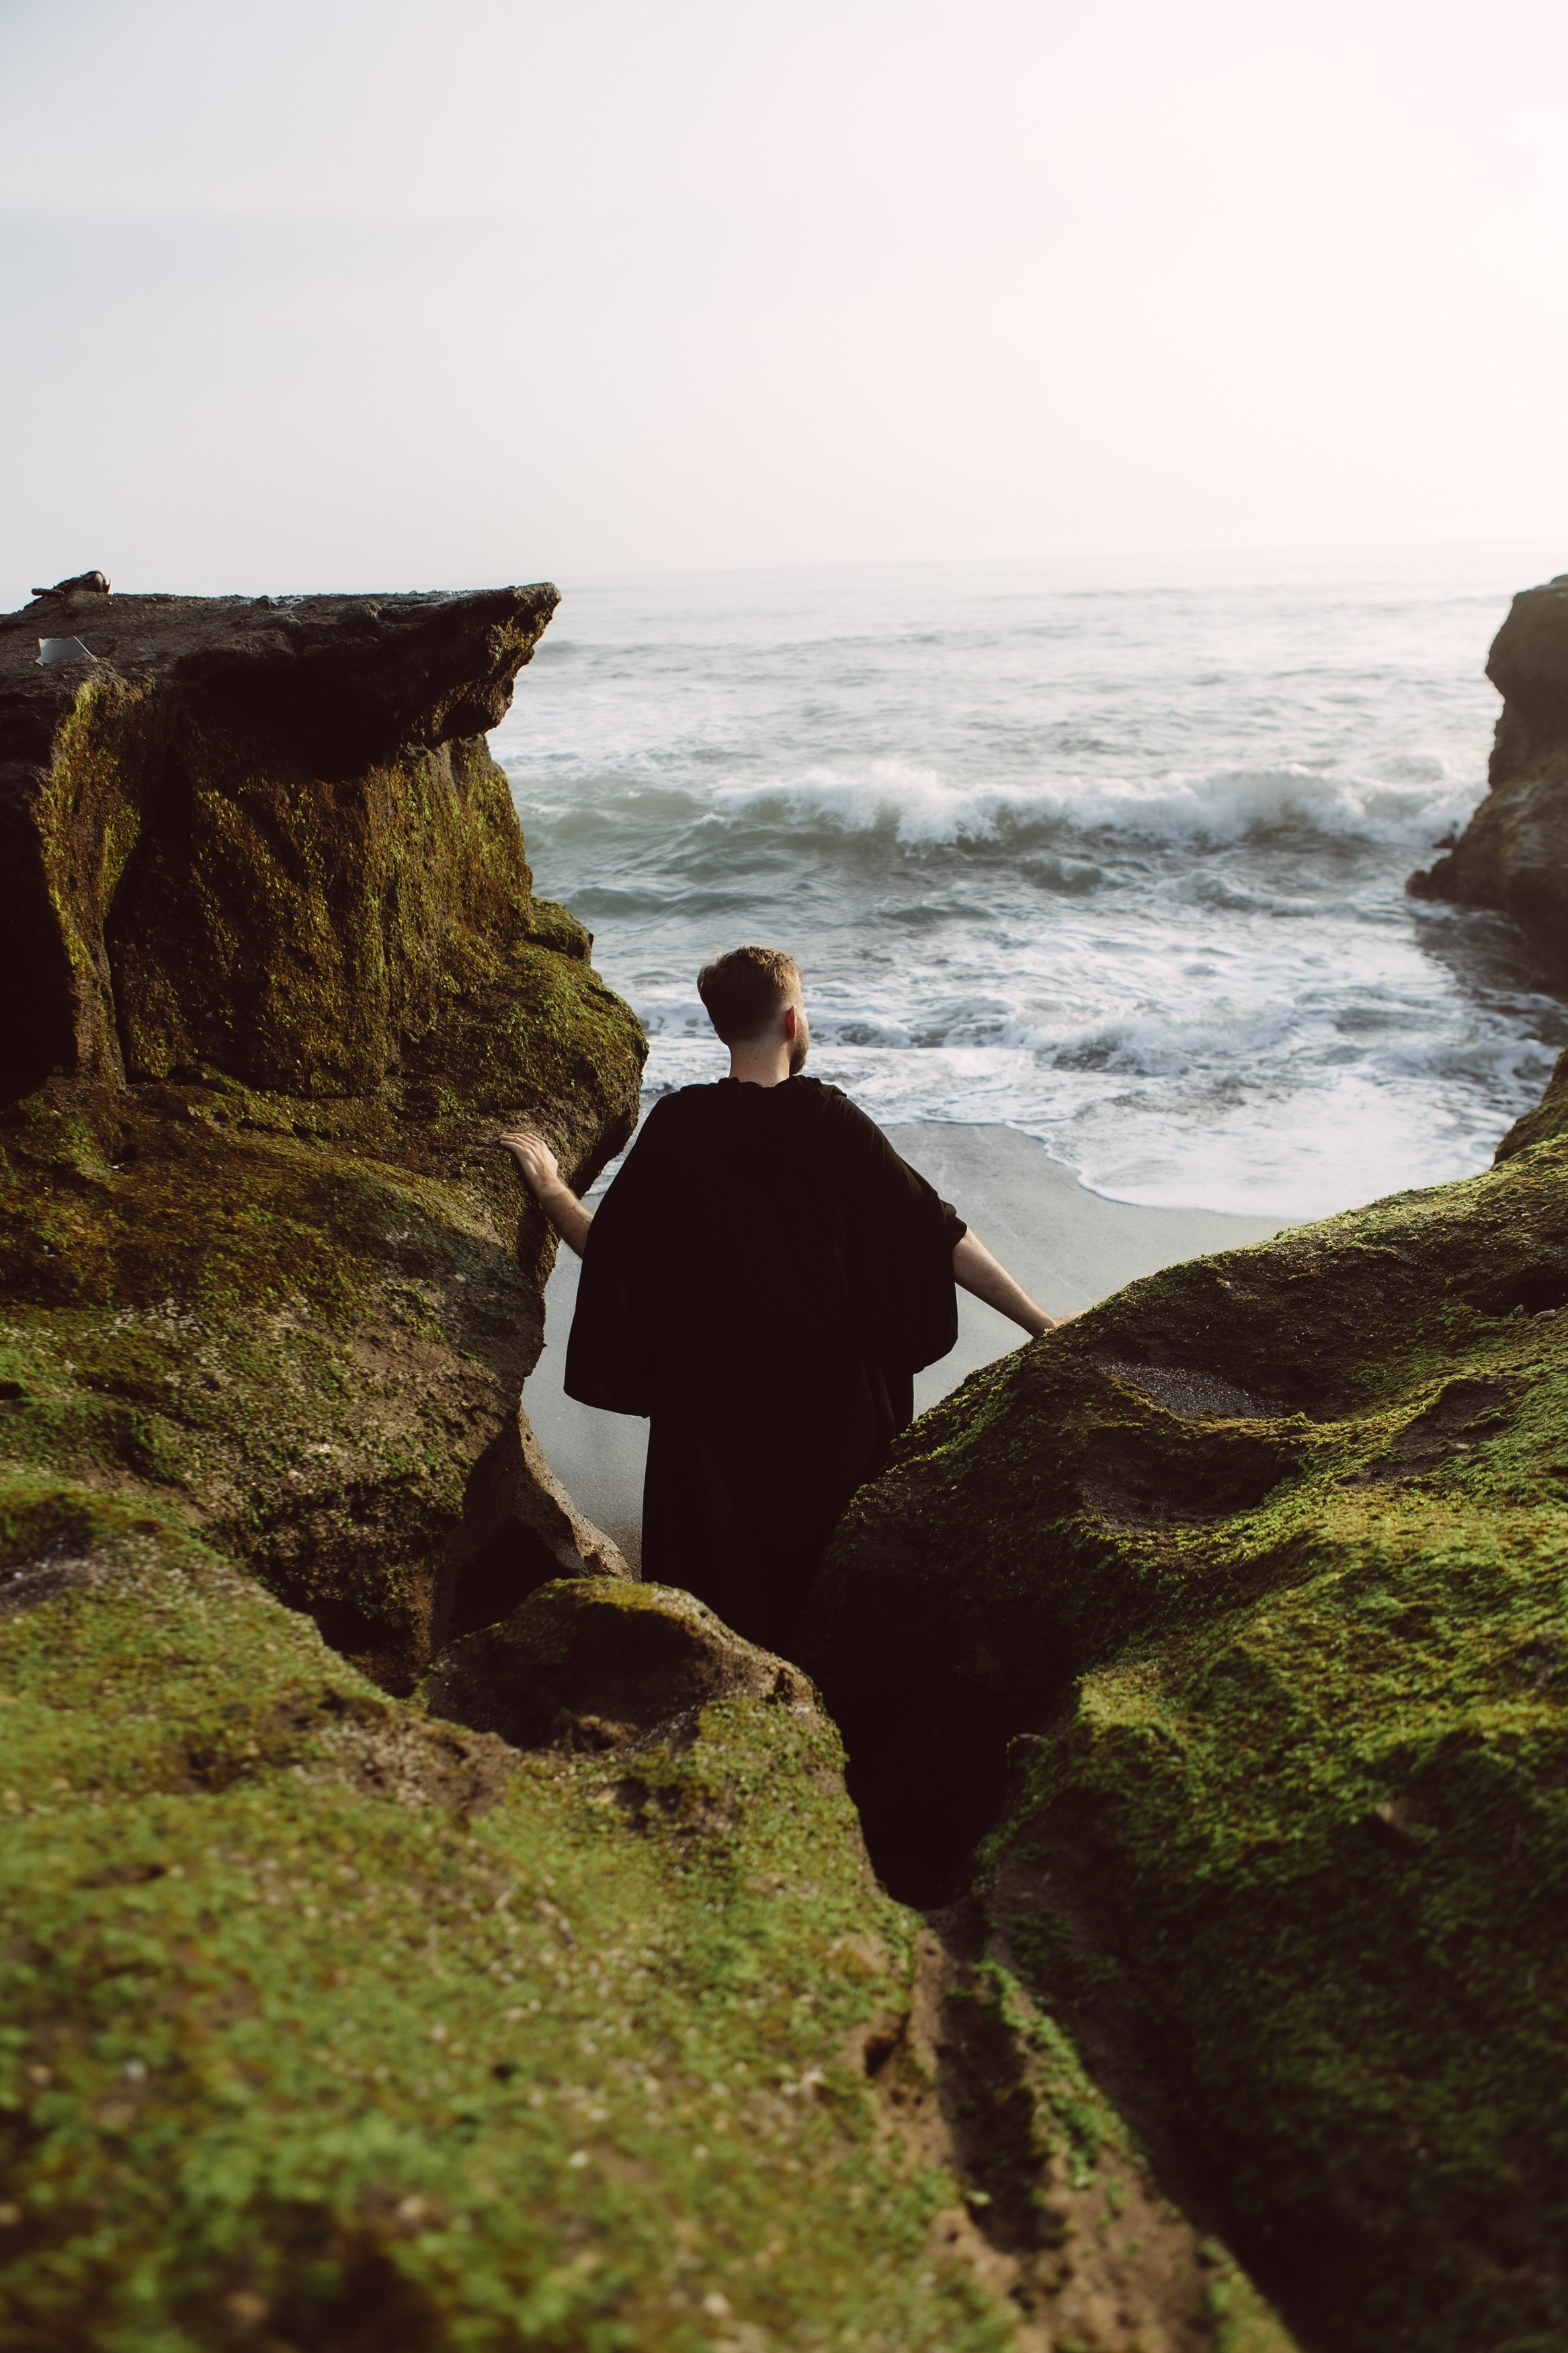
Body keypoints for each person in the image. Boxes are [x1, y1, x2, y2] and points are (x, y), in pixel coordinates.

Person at [497, 945, 1072, 1654]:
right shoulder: (833, 1122)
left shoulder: (678, 1126)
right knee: (826, 1593)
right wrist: (1039, 1322)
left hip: (711, 1420)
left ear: (719, 1028)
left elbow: (617, 1254)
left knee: (715, 1611)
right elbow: (939, 1236)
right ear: (793, 1019)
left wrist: (554, 1191)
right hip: (828, 1413)